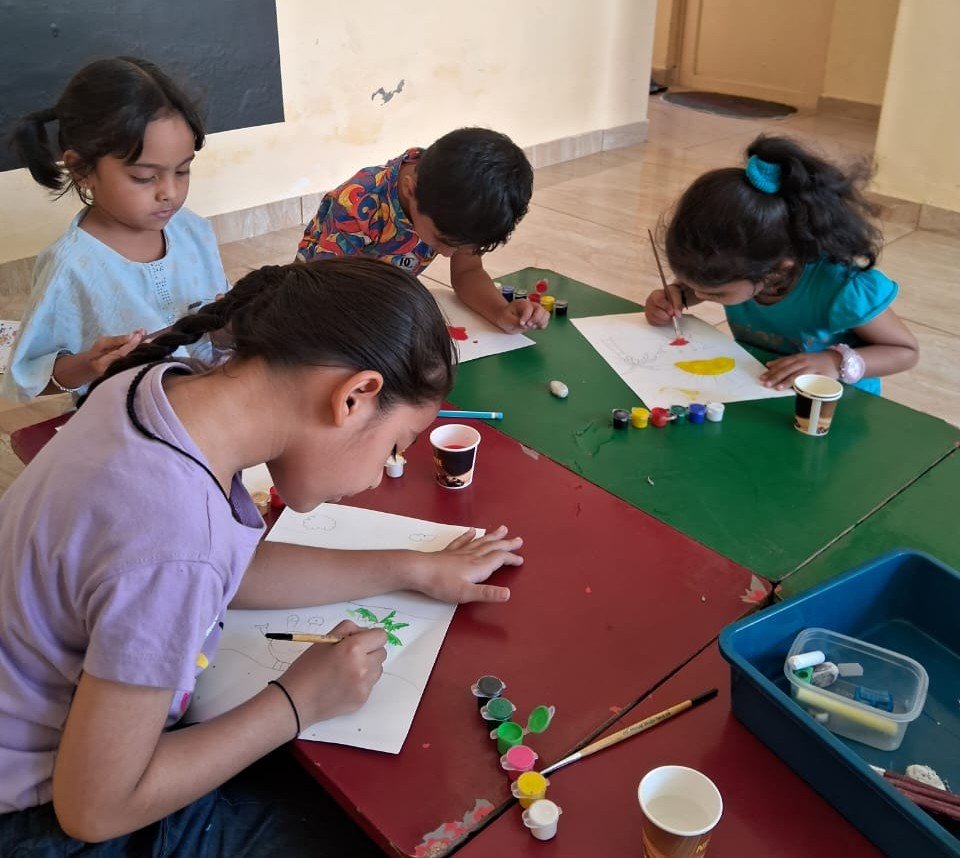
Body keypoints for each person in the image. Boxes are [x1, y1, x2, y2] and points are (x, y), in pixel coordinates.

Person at [0, 258, 523, 853]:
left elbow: (225, 566)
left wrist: (414, 566)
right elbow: (94, 809)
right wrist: (299, 702)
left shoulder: (156, 389)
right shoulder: (173, 541)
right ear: (355, 397)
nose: (380, 476)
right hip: (35, 815)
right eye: (394, 447)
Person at [2, 56, 227, 402]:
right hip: (132, 418)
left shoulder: (193, 231)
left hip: (214, 400)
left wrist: (229, 327)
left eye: (182, 171)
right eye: (144, 177)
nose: (170, 192)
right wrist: (88, 365)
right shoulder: (71, 267)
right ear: (82, 170)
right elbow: (28, 378)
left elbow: (215, 331)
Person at [644, 135, 918, 393]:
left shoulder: (841, 288)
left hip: (833, 404)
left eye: (714, 294)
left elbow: (905, 351)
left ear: (776, 270)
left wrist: (834, 362)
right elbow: (701, 287)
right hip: (761, 389)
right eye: (691, 285)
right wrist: (675, 296)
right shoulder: (739, 267)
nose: (698, 295)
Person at [297, 127, 549, 334]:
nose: (449, 254)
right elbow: (321, 293)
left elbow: (467, 272)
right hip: (320, 296)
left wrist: (499, 311)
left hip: (382, 298)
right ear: (410, 191)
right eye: (442, 241)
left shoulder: (463, 205)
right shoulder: (358, 203)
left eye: (463, 247)